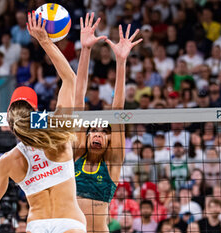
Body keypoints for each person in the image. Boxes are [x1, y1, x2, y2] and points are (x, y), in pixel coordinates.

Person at [0, 12, 87, 232]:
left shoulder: (8, 160)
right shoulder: (58, 132)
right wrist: (45, 41)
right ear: (36, 111)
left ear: (10, 116)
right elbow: (70, 79)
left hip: (37, 224)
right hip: (70, 221)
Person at [73, 14, 142, 232]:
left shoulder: (112, 162)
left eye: (104, 132)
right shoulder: (75, 155)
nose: (98, 134)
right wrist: (85, 50)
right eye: (93, 130)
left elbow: (118, 111)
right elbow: (78, 99)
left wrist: (121, 62)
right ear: (86, 135)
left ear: (110, 139)